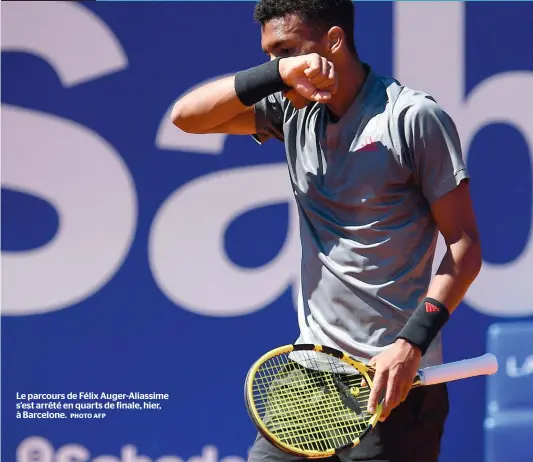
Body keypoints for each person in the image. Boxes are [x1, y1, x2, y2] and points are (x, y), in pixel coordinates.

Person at [172, 0, 482, 460]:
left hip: (391, 383)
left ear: (334, 42)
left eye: (287, 50)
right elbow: (186, 117)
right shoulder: (291, 109)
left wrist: (409, 345)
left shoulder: (412, 118)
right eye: (269, 56)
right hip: (308, 375)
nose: (277, 66)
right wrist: (280, 74)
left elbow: (465, 247)